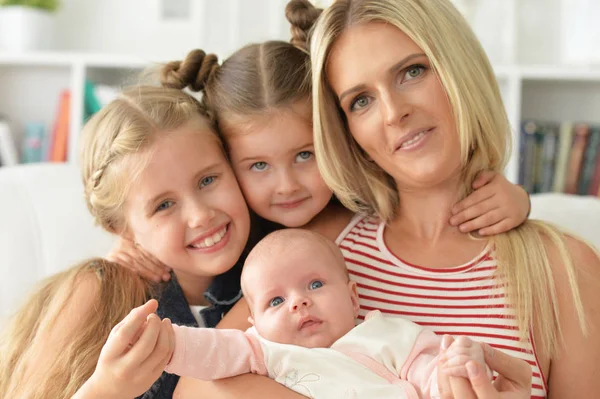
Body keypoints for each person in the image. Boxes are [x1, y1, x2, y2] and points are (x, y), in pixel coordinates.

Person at [306, 0, 600, 398]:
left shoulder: (566, 270)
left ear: (460, 67)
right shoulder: (320, 249)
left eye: (412, 72)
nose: (394, 113)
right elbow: (202, 385)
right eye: (361, 100)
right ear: (348, 132)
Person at [0, 84, 256, 399]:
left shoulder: (281, 262)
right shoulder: (99, 292)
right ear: (121, 228)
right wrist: (107, 390)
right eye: (164, 205)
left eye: (207, 180)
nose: (200, 216)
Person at [123, 229, 491, 399]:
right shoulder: (263, 350)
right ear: (255, 323)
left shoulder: (388, 334)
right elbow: (212, 351)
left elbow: (430, 374)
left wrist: (454, 370)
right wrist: (165, 342)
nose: (298, 302)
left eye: (315, 285)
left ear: (353, 298)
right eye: (276, 302)